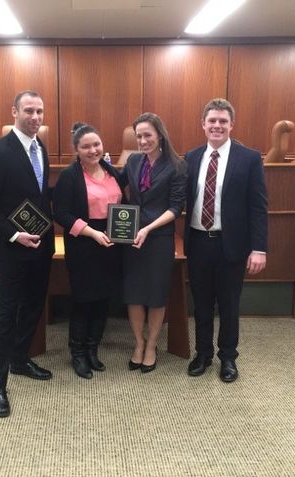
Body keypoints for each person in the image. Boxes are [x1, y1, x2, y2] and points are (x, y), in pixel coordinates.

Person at [0, 90, 54, 418]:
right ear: (14, 112)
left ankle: (20, 359)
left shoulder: (42, 148)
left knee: (34, 306)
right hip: (12, 248)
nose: (35, 117)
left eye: (39, 111)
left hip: (41, 246)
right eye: (29, 111)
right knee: (6, 315)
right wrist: (13, 233)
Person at [184, 98, 268, 383]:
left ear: (231, 125)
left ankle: (228, 358)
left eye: (223, 121)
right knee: (201, 303)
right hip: (197, 242)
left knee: (230, 304)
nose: (217, 126)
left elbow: (258, 207)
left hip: (231, 244)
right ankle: (203, 354)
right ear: (203, 125)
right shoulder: (191, 157)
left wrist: (259, 248)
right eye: (212, 121)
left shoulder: (250, 158)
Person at [53, 123, 124, 379]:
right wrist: (92, 233)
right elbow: (60, 212)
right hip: (84, 243)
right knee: (83, 300)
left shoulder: (111, 171)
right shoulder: (69, 176)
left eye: (96, 144)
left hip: (111, 243)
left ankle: (93, 349)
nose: (93, 150)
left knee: (103, 298)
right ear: (76, 150)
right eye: (86, 146)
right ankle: (78, 353)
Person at [121, 112, 187, 373]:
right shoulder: (133, 161)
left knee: (156, 295)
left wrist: (148, 228)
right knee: (134, 294)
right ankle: (138, 343)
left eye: (147, 135)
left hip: (158, 237)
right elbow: (114, 184)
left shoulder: (177, 166)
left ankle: (152, 346)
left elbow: (176, 208)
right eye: (138, 136)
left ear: (160, 134)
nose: (142, 140)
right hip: (132, 238)